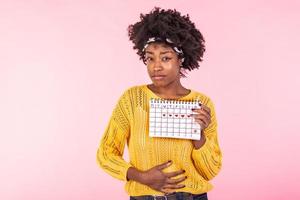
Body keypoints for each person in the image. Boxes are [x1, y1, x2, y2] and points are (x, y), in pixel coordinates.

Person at [96, 7, 222, 200]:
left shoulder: (201, 104)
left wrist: (199, 136)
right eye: (150, 58)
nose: (156, 66)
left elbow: (211, 171)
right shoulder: (132, 99)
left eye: (166, 58)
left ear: (181, 59)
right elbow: (106, 153)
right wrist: (142, 177)